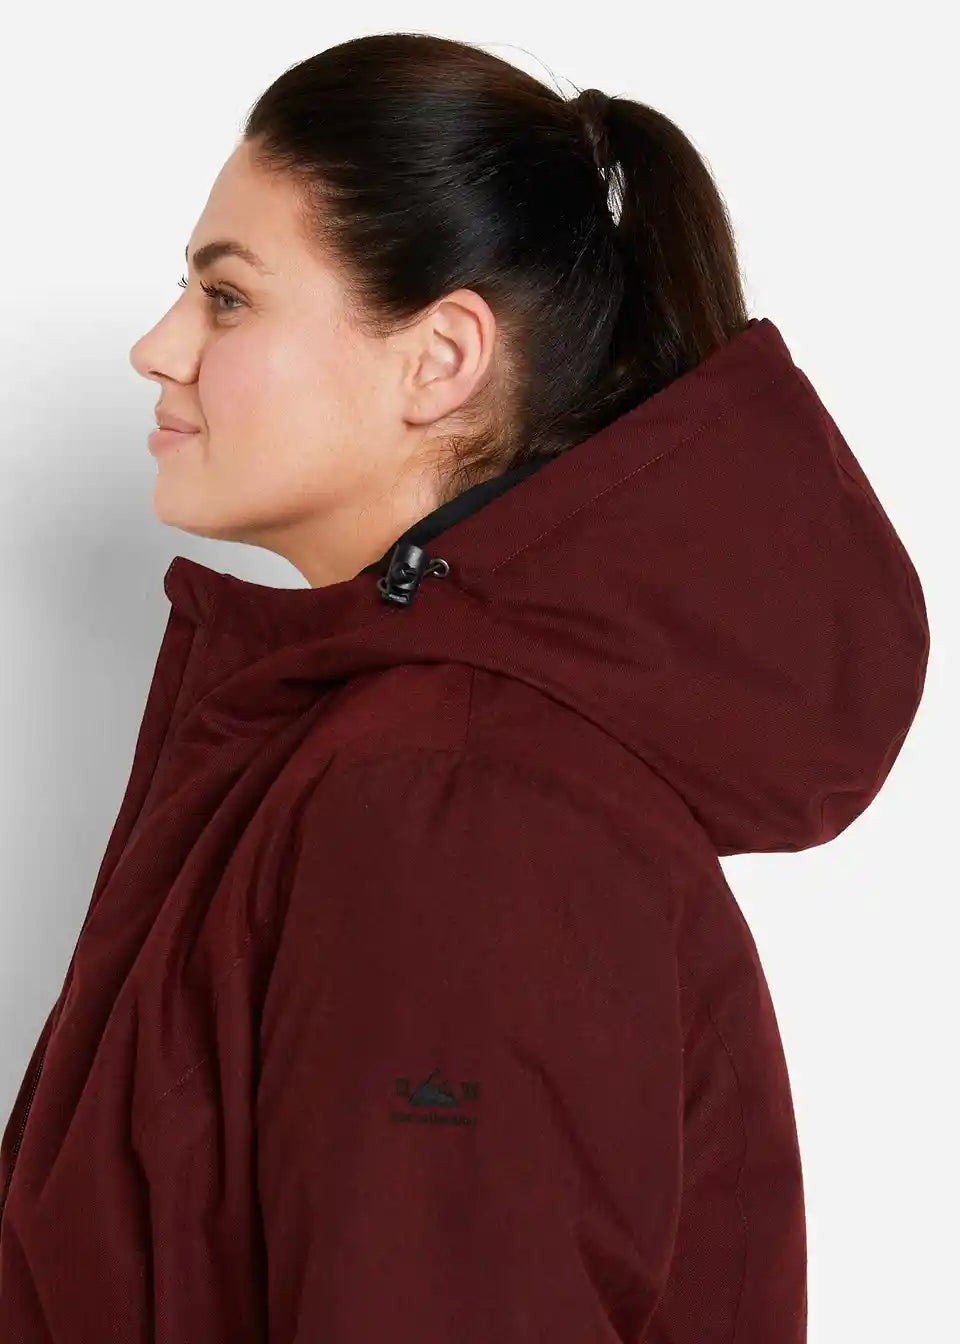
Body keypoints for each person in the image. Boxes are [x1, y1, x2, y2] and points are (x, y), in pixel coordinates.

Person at [0, 31, 929, 1344]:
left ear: (440, 359)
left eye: (227, 297)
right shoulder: (411, 761)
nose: (159, 347)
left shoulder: (462, 805)